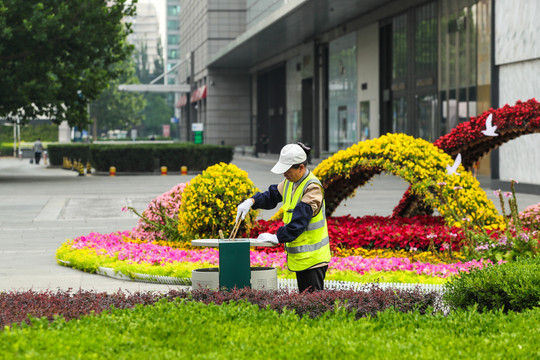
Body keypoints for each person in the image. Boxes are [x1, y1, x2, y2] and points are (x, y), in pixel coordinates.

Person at [236, 142, 331, 292]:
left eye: (287, 171)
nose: (284, 174)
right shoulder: (290, 182)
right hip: (303, 258)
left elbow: (299, 223)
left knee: (313, 306)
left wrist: (277, 237)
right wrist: (251, 201)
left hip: (313, 259)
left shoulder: (312, 187)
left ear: (301, 167)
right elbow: (272, 195)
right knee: (306, 305)